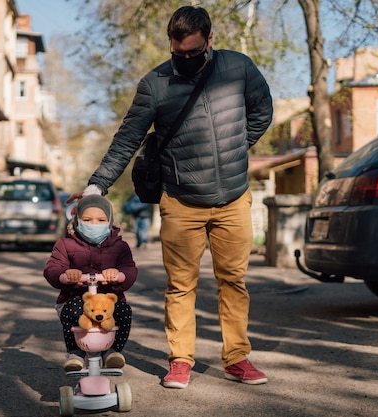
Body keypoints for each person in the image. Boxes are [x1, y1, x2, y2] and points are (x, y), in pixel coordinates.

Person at [69, 6, 273, 388]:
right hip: (181, 201)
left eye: (193, 54)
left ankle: (237, 358)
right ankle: (181, 360)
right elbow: (127, 138)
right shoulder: (155, 84)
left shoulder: (239, 68)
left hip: (234, 197)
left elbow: (262, 111)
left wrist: (236, 150)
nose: (185, 61)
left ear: (210, 41)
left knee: (234, 280)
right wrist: (98, 184)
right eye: (178, 54)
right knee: (181, 285)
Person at [44, 195, 138, 372]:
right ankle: (75, 352)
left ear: (109, 221)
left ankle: (113, 351)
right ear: (78, 220)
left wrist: (120, 275)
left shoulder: (120, 247)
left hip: (107, 302)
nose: (94, 224)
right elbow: (52, 268)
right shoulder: (65, 244)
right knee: (73, 308)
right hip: (75, 299)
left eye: (101, 220)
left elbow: (130, 269)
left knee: (124, 311)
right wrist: (65, 275)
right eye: (87, 220)